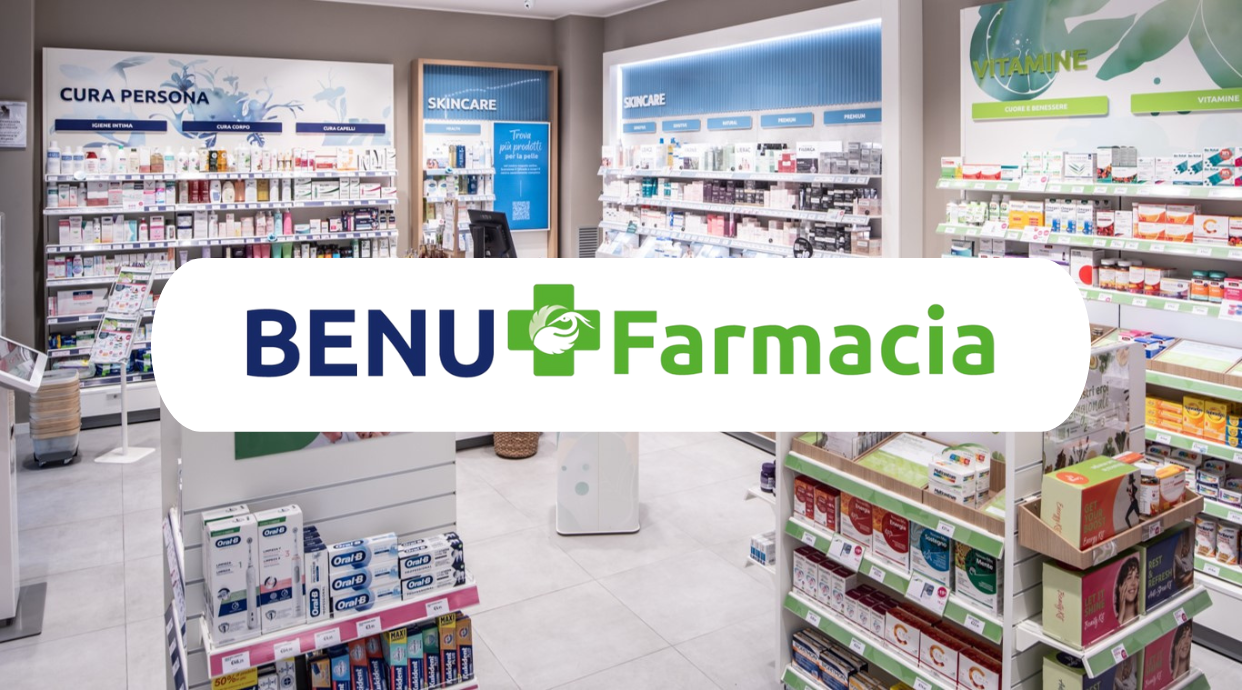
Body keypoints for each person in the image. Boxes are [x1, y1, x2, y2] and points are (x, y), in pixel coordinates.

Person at [1114, 556, 1142, 626]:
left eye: (1136, 577)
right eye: (1129, 577)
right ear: (1120, 587)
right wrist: (1121, 615)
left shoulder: (1142, 613)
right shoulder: (1115, 620)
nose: (1133, 583)